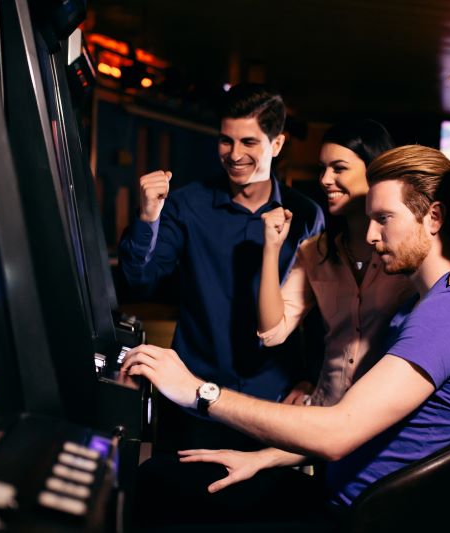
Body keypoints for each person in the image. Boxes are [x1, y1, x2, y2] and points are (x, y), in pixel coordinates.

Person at [123, 145, 450, 527]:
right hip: (339, 496)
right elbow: (367, 423)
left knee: (160, 487)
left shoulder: (448, 316)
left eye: (384, 218)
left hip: (356, 517)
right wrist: (264, 457)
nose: (371, 235)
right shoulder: (417, 306)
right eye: (370, 219)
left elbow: (338, 432)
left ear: (434, 217)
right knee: (165, 475)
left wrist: (200, 392)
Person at [117, 84, 325, 451]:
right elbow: (139, 281)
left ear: (276, 145)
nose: (234, 154)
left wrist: (312, 378)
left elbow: (323, 306)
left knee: (265, 507)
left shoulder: (306, 213)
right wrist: (149, 215)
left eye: (249, 142)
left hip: (272, 403)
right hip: (191, 396)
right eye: (226, 141)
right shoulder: (186, 203)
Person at [258, 119, 415, 410]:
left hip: (388, 416)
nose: (325, 179)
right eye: (323, 169)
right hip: (327, 411)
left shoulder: (409, 248)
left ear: (374, 170)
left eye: (339, 168)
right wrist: (271, 248)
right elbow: (272, 332)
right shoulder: (315, 252)